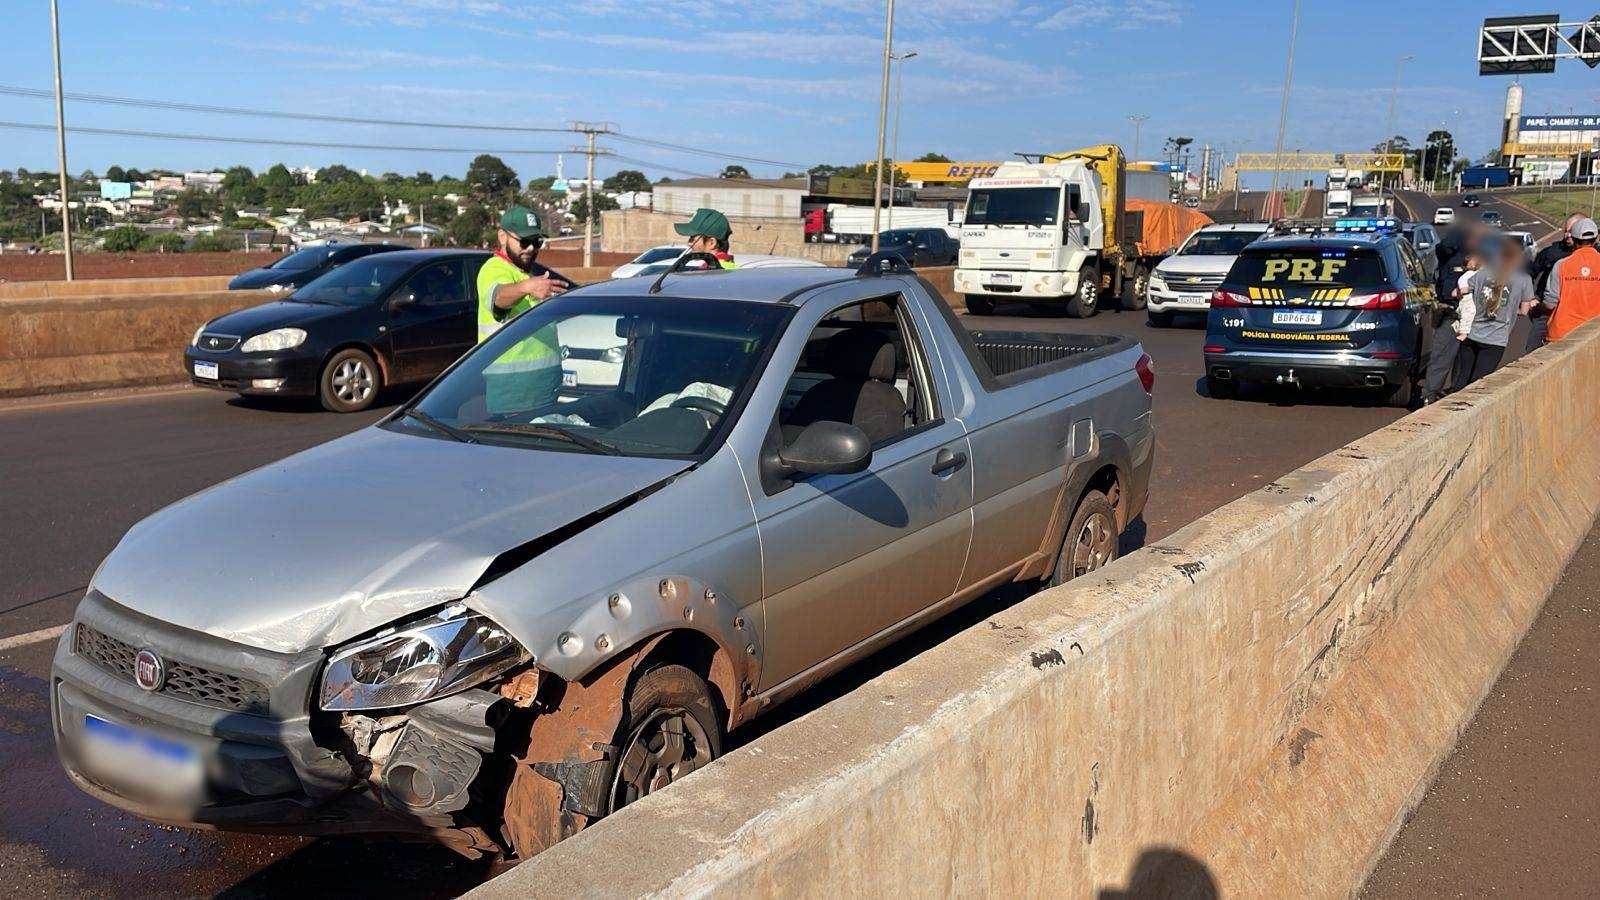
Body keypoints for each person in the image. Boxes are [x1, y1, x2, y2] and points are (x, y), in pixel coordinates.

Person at [476, 205, 570, 412]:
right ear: (502, 237)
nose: (530, 249)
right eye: (524, 241)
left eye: (537, 242)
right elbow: (499, 297)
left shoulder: (525, 273)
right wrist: (528, 287)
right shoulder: (494, 269)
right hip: (512, 392)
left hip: (544, 388)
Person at [1453, 235, 1534, 391]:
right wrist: (1508, 308)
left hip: (1471, 333)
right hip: (1495, 339)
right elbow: (1524, 311)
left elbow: (1461, 291)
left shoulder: (1482, 273)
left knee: (1462, 377)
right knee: (1478, 384)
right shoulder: (1523, 279)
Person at [1422, 224, 1476, 404]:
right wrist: (1461, 232)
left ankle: (1457, 396)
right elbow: (1443, 247)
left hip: (1474, 317)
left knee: (1464, 362)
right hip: (1451, 313)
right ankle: (1429, 396)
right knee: (1441, 357)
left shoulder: (1484, 256)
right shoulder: (1450, 254)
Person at [1527, 212, 1584, 351]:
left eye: (1572, 231)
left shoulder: (1592, 255)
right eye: (1566, 231)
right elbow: (1529, 273)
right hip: (1546, 312)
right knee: (1532, 352)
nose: (1568, 235)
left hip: (1577, 317)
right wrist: (1529, 298)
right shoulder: (1550, 253)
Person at [1544, 215, 1600, 342]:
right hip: (1595, 335)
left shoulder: (1561, 265)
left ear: (1573, 240)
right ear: (1596, 239)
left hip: (1562, 334)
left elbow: (1549, 304)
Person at [673, 207, 737, 268]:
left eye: (693, 239)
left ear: (712, 243)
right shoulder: (717, 267)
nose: (689, 243)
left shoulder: (717, 272)